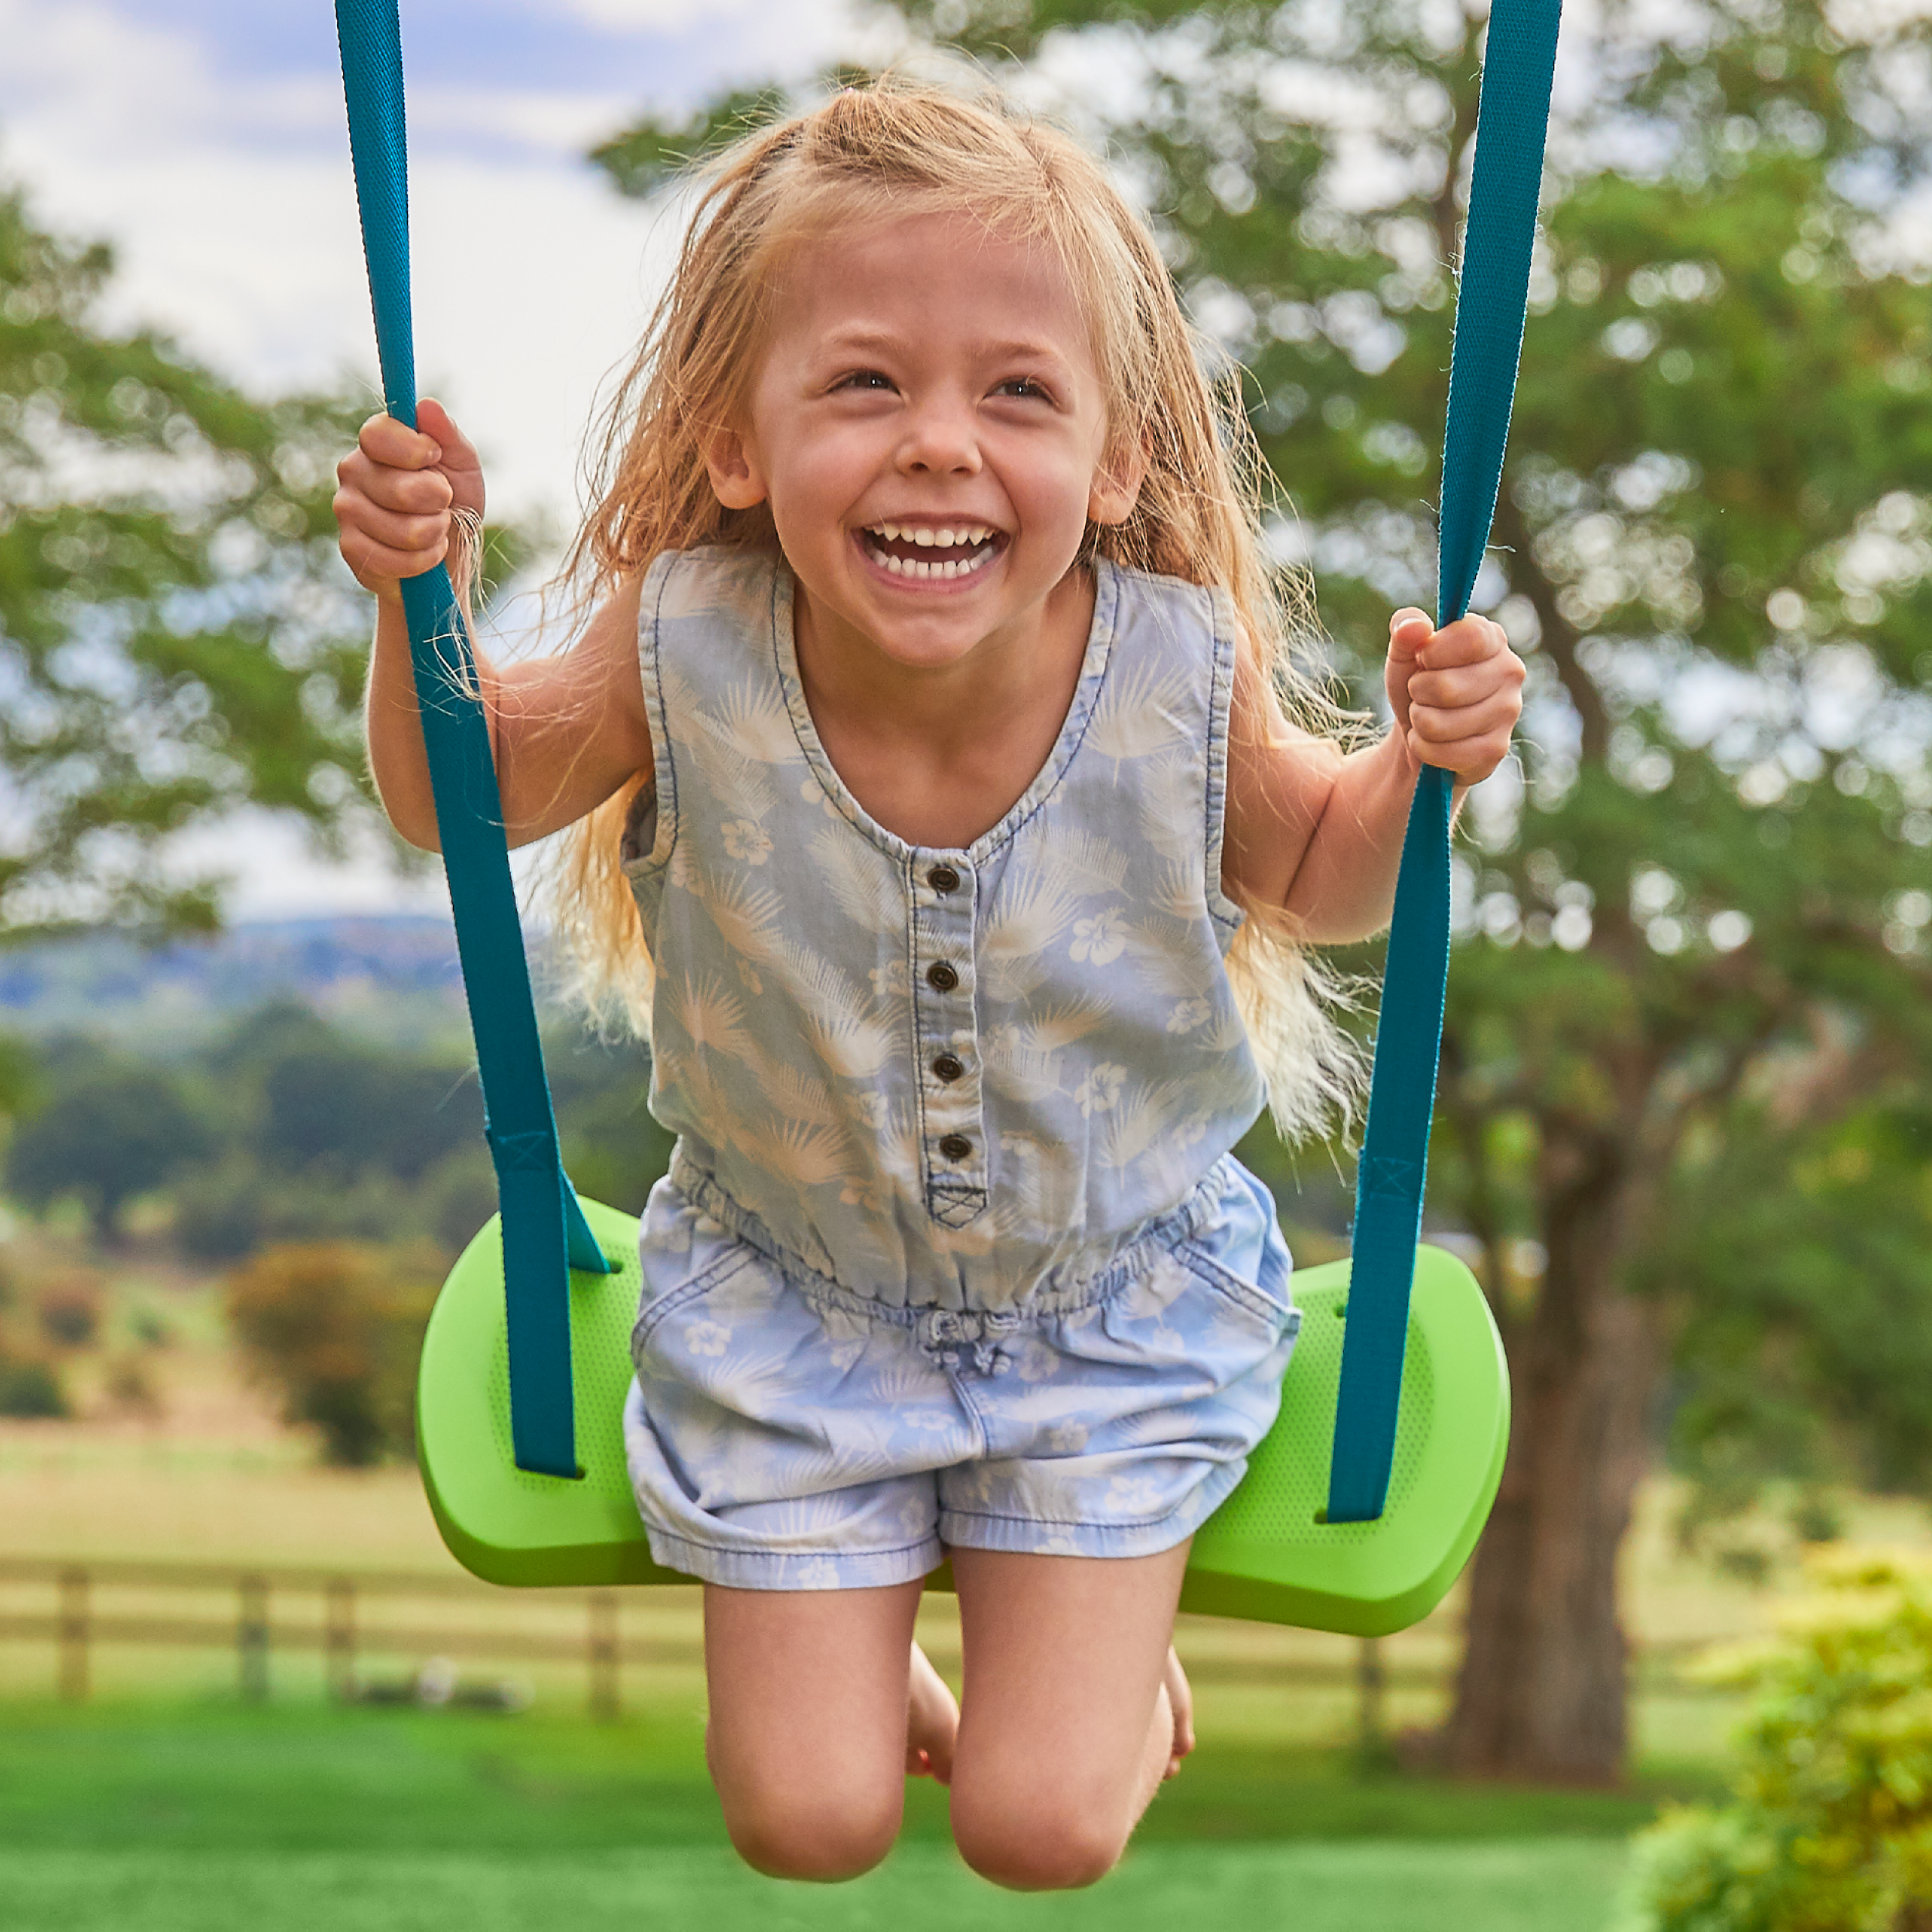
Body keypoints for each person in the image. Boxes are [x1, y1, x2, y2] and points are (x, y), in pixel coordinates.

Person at [333, 78, 1524, 1892]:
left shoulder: (1172, 671)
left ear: (1117, 458)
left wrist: (1410, 772)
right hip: (791, 1302)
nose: (939, 445)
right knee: (803, 1821)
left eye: (1017, 392)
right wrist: (422, 599)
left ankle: (1089, 1659)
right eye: (865, 382)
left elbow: (1320, 877)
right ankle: (883, 1560)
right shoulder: (684, 638)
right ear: (739, 440)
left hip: (1106, 1310)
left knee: (1040, 1831)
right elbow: (452, 797)